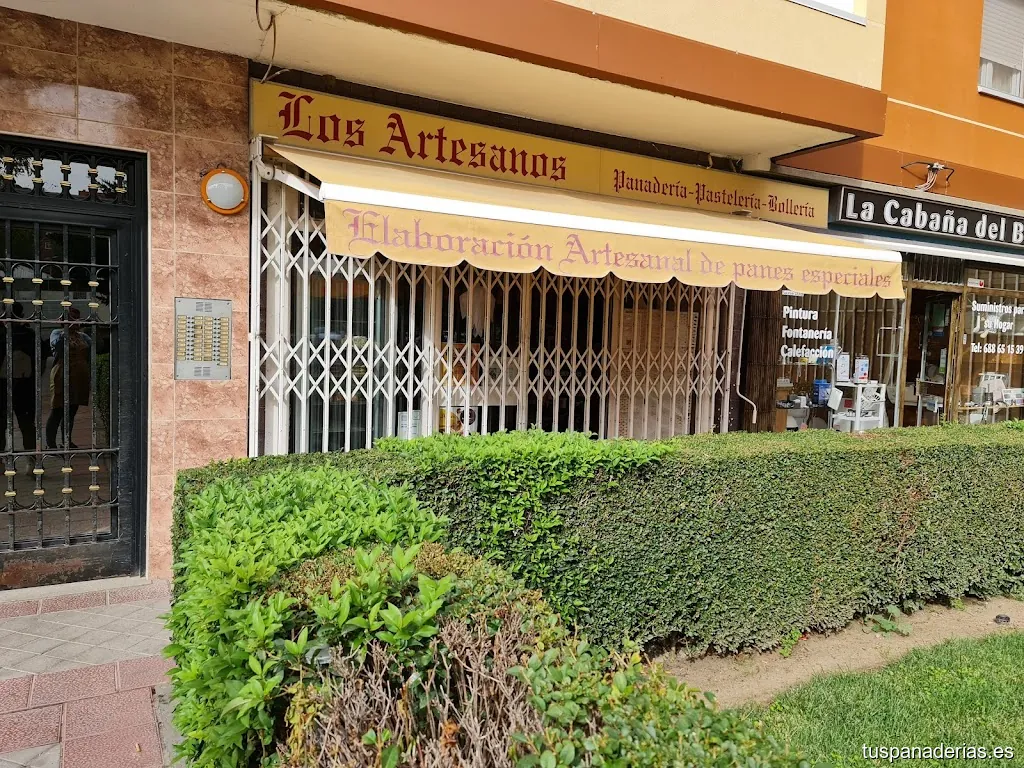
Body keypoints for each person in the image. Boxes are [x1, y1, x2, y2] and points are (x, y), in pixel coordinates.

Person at [47, 307, 91, 450]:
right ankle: (51, 444)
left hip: (79, 376)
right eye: (71, 319)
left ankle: (67, 441)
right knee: (58, 410)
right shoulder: (56, 333)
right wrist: (66, 330)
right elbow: (57, 347)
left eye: (76, 319)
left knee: (72, 410)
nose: (75, 322)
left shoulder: (82, 336)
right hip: (62, 374)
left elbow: (94, 346)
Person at [0, 302, 37, 453]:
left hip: (3, 386)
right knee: (27, 425)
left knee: (1, 425)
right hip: (25, 385)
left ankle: (3, 461)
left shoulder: (2, 334)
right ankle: (32, 461)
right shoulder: (29, 335)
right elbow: (38, 361)